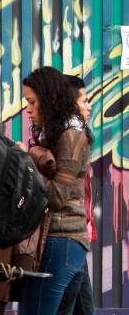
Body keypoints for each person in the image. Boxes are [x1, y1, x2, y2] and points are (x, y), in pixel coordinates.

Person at [18, 67, 93, 315]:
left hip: (61, 239)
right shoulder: (56, 132)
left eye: (31, 102)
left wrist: (27, 169)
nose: (27, 109)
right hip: (62, 240)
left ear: (49, 100)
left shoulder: (71, 136)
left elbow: (58, 196)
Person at [56, 75, 96, 315]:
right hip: (70, 235)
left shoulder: (75, 134)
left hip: (77, 233)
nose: (89, 105)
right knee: (69, 308)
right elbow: (61, 192)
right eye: (84, 100)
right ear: (71, 104)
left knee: (83, 306)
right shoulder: (71, 136)